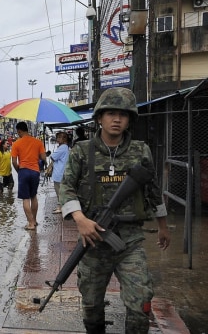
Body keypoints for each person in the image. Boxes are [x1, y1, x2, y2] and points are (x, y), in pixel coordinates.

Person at [59, 87, 170, 333]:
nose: (116, 119)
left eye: (123, 114)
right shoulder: (81, 151)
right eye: (110, 113)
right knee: (91, 303)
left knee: (141, 301)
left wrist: (163, 226)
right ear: (99, 118)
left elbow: (153, 190)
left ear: (130, 119)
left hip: (130, 241)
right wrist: (80, 219)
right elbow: (66, 187)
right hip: (94, 240)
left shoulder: (141, 151)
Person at [10, 121, 47, 230]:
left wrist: (19, 171)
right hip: (35, 171)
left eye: (18, 132)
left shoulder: (16, 143)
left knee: (25, 199)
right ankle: (34, 220)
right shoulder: (38, 142)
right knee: (33, 196)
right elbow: (44, 158)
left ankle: (30, 224)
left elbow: (14, 162)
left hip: (23, 171)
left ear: (19, 131)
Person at [49, 131, 69, 213]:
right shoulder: (64, 147)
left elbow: (53, 157)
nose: (58, 139)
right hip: (61, 172)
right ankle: (60, 206)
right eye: (58, 137)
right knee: (60, 191)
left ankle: (60, 207)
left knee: (59, 191)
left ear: (64, 139)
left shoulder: (63, 147)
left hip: (59, 173)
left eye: (60, 137)